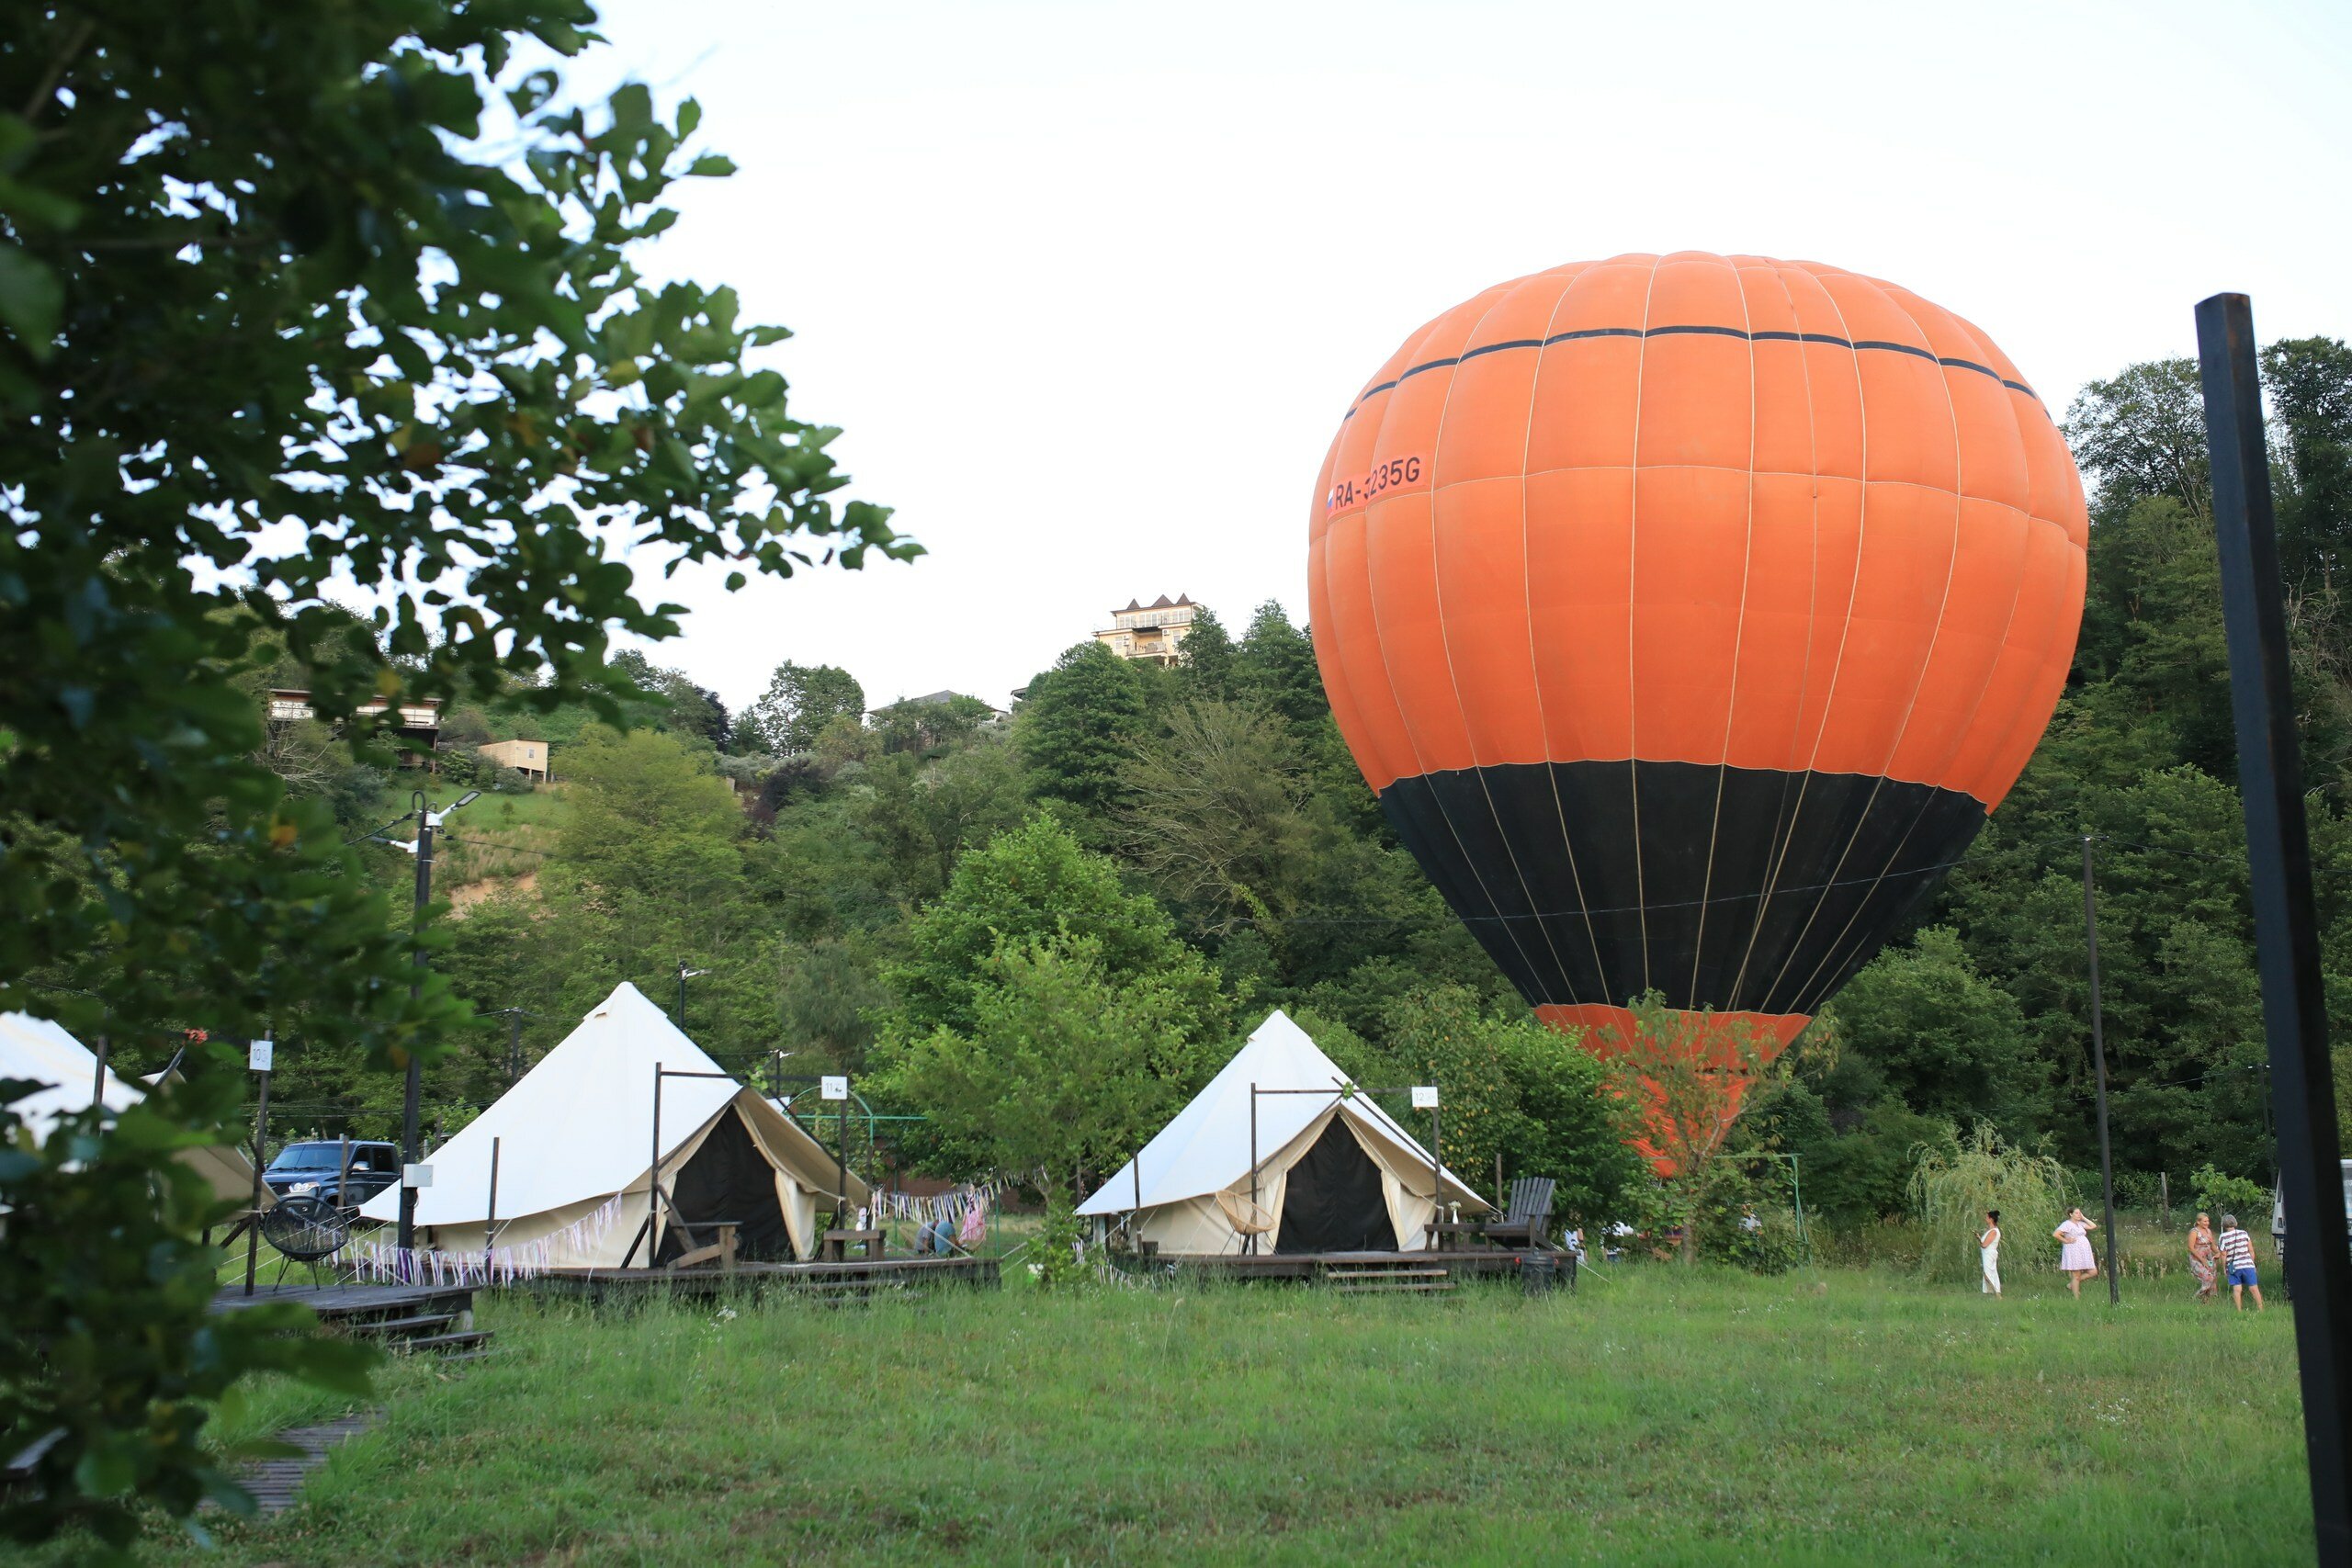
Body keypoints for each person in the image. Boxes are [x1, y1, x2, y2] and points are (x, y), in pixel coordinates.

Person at [2217, 1213, 2265, 1312]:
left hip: (2234, 1266)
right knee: (2254, 1288)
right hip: (2248, 1264)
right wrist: (2252, 1263)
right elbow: (2251, 1250)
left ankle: (2239, 1310)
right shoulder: (2244, 1233)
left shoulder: (2223, 1237)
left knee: (2237, 1289)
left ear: (2224, 1225)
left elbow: (2223, 1255)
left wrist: (2224, 1268)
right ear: (2235, 1223)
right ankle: (2261, 1309)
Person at [2054, 1206, 2098, 1296]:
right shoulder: (2067, 1224)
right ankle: (2076, 1298)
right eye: (2077, 1213)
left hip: (2083, 1250)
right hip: (2073, 1250)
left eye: (2079, 1213)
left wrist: (2083, 1218)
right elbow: (2056, 1234)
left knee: (2093, 1272)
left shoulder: (2080, 1224)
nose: (2079, 1215)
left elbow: (2093, 1226)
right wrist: (2066, 1240)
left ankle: (2071, 1285)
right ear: (2071, 1214)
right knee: (2076, 1274)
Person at [2188, 1212, 2219, 1303]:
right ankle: (2195, 1298)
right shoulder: (2194, 1232)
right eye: (2205, 1221)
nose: (2207, 1223)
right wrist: (2202, 1259)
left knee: (2213, 1279)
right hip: (2197, 1259)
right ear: (2198, 1222)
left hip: (2209, 1258)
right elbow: (2190, 1247)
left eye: (2208, 1221)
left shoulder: (2208, 1231)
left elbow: (2212, 1245)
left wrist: (2218, 1253)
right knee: (2208, 1278)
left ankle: (2207, 1301)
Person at [1979, 1210, 2002, 1296]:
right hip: (1988, 1254)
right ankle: (1993, 1292)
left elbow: (1984, 1245)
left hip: (1989, 1254)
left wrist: (1979, 1240)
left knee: (1988, 1274)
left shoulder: (1993, 1231)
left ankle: (1996, 1294)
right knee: (1992, 1272)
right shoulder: (1992, 1230)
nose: (1986, 1219)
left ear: (1991, 1219)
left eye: (1987, 1217)